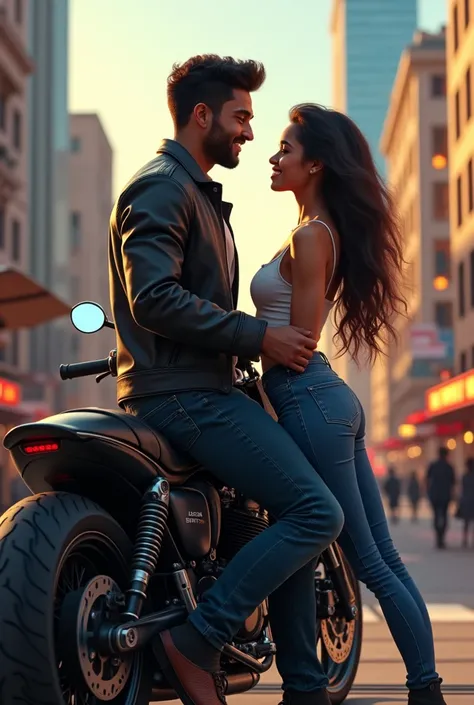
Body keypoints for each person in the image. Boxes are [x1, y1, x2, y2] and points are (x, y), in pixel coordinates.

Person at [109, 57, 344, 705]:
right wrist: (258, 335)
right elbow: (153, 297)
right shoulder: (165, 187)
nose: (248, 132)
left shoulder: (196, 193)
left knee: (282, 510)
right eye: (241, 117)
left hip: (203, 386)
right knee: (317, 509)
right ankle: (198, 637)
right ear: (202, 115)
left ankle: (304, 685)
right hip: (185, 396)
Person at [251, 103, 446, 705]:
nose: (274, 156)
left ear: (315, 164)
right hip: (327, 401)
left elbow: (300, 344)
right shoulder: (318, 229)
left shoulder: (311, 236)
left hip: (307, 396)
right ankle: (425, 689)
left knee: (369, 562)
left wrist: (242, 343)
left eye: (286, 148)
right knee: (380, 558)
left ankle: (426, 690)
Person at [426, 447, 456, 550]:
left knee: (435, 516)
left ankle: (438, 537)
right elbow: (453, 482)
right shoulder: (449, 467)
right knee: (444, 515)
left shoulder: (433, 465)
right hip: (445, 495)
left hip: (434, 495)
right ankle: (441, 537)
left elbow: (427, 479)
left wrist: (428, 493)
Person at [456, 457, 474, 548]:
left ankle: (465, 539)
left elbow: (462, 489)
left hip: (466, 500)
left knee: (466, 522)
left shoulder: (465, 476)